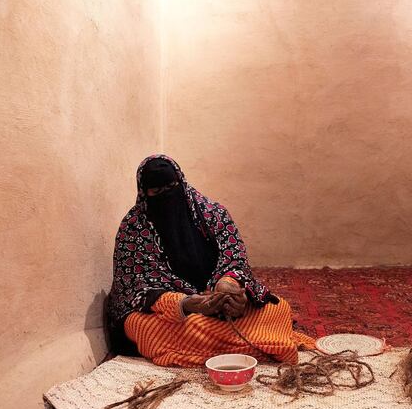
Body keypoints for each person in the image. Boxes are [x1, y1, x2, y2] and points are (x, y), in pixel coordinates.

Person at [106, 154, 314, 366]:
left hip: (219, 303)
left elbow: (235, 257)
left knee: (278, 308)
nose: (166, 196)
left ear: (181, 183)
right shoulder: (134, 229)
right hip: (176, 315)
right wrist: (185, 304)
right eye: (157, 192)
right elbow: (136, 287)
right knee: (141, 327)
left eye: (172, 187)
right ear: (144, 194)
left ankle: (214, 348)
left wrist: (229, 288)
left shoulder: (212, 213)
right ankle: (257, 346)